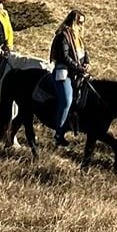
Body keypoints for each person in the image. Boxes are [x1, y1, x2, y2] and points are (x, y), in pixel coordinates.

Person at [49, 10, 88, 146]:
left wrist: (86, 63)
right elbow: (64, 57)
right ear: (73, 21)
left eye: (83, 22)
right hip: (63, 73)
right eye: (79, 22)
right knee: (67, 100)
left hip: (77, 73)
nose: (81, 25)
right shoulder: (63, 36)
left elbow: (84, 52)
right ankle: (58, 133)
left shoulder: (79, 37)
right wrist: (78, 67)